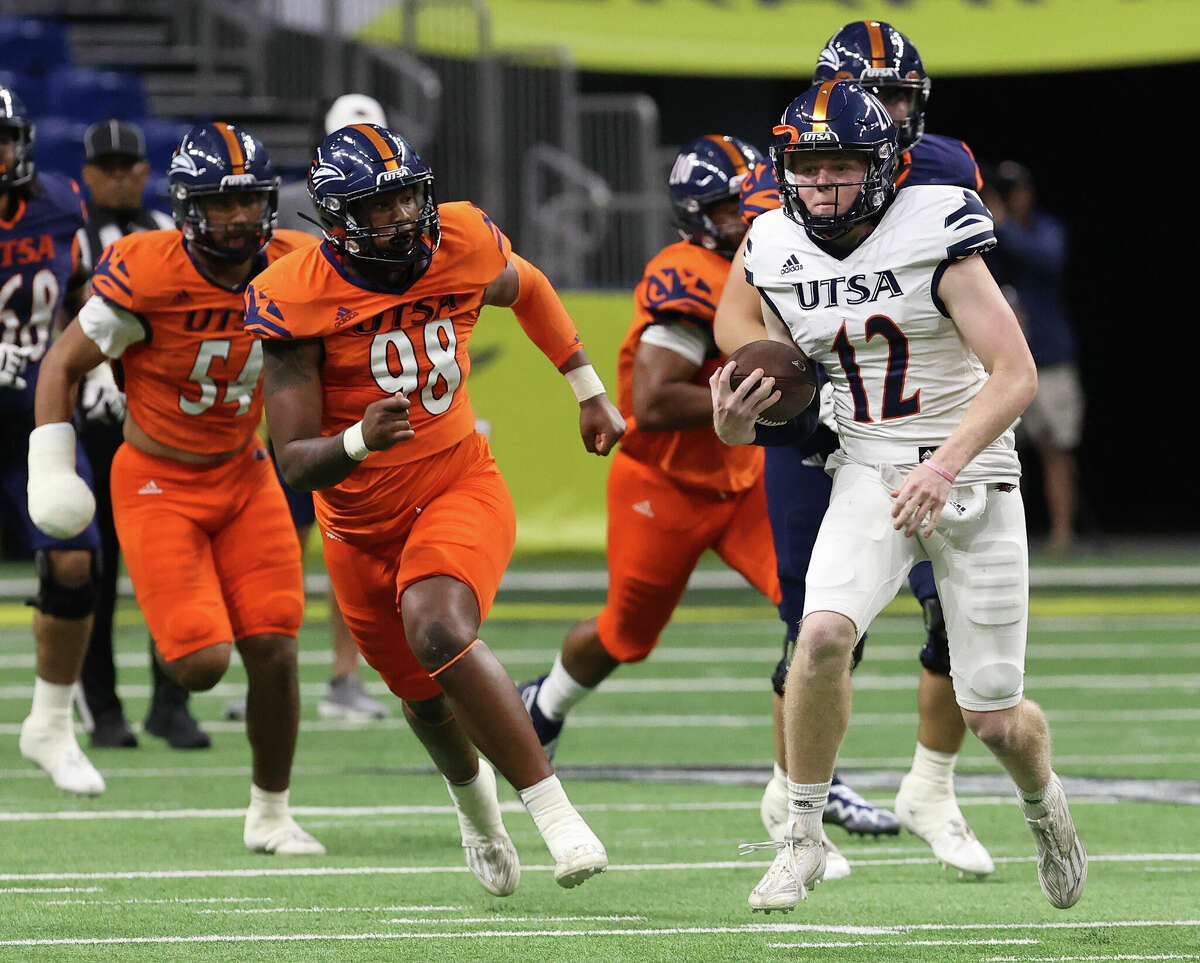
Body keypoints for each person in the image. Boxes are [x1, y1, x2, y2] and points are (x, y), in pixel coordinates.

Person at [714, 79, 1087, 913]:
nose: (822, 187)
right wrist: (740, 425)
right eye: (807, 169)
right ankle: (802, 834)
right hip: (867, 466)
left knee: (992, 713)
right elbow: (778, 371)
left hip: (973, 468)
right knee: (819, 637)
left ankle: (1044, 804)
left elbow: (1016, 372)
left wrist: (946, 463)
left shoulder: (935, 225)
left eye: (841, 166)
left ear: (882, 167)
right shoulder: (771, 242)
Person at [242, 122, 621, 894]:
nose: (403, 217)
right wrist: (355, 439)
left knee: (439, 624)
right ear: (338, 220)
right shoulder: (294, 297)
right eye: (379, 208)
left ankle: (554, 814)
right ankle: (477, 809)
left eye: (409, 196)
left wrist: (588, 388)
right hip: (357, 526)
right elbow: (291, 464)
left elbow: (530, 286)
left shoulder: (462, 239)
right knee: (421, 698)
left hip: (457, 484)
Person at [517, 134, 850, 880]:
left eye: (754, 194)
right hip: (660, 485)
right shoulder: (686, 272)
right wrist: (763, 397)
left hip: (742, 477)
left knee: (822, 612)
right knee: (625, 633)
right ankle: (546, 701)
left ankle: (794, 795)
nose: (751, 212)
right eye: (733, 204)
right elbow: (653, 398)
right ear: (699, 216)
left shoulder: (785, 250)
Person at [730, 19, 994, 877]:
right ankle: (792, 800)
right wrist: (782, 375)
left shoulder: (949, 172)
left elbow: (976, 301)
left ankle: (933, 784)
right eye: (867, 94)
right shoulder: (805, 177)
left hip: (921, 427)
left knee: (952, 611)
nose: (879, 112)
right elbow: (740, 315)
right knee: (815, 622)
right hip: (825, 426)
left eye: (896, 98)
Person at [30, 121, 324, 854]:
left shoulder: (294, 262)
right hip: (156, 475)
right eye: (220, 207)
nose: (237, 220)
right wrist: (52, 463)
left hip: (243, 470)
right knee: (199, 665)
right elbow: (62, 364)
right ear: (187, 207)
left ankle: (272, 810)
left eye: (250, 204)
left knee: (277, 646)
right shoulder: (145, 267)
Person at [224, 93, 391, 724]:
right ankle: (271, 670)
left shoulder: (400, 210)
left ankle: (346, 676)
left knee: (354, 549)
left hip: (362, 403)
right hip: (300, 403)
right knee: (279, 545)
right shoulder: (293, 219)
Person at [73, 117, 210, 750]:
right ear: (88, 173)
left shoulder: (169, 231)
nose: (123, 177)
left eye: (133, 166)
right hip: (91, 425)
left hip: (159, 418)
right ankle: (102, 707)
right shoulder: (73, 235)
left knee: (174, 564)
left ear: (148, 172)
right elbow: (62, 323)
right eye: (110, 167)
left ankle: (170, 700)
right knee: (98, 569)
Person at [2, 85, 106, 795]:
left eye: (1, 138)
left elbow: (80, 295)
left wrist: (98, 361)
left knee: (74, 561)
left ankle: (52, 723)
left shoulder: (61, 203)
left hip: (35, 418)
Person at [981, 161, 1084, 555]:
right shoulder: (980, 234)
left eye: (1014, 191)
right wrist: (991, 224)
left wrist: (1004, 226)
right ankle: (1000, 537)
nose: (1010, 198)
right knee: (995, 451)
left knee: (1057, 447)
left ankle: (1062, 534)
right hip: (998, 363)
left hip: (1049, 356)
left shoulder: (1046, 231)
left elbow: (1048, 262)